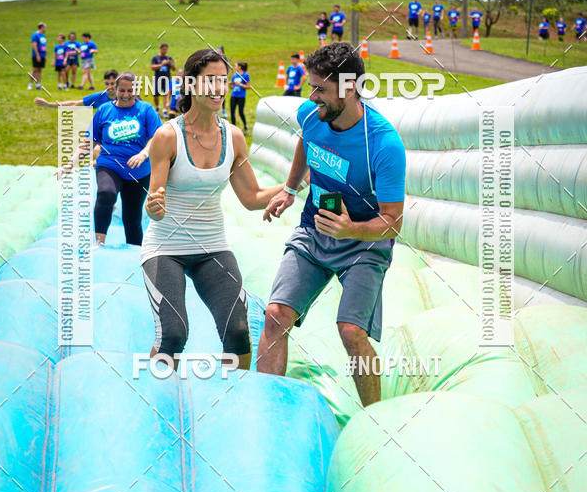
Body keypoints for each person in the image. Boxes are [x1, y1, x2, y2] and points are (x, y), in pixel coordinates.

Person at [257, 42, 406, 408]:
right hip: (315, 229)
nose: (312, 96)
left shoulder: (384, 145)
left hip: (363, 243)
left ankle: (375, 419)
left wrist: (350, 229)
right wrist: (291, 190)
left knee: (351, 331)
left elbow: (393, 223)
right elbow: (305, 144)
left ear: (350, 88)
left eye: (321, 89)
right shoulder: (312, 115)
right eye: (312, 87)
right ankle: (262, 410)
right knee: (276, 316)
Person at [141, 48, 285, 371]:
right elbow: (155, 208)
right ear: (190, 84)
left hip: (212, 247)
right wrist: (154, 206)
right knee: (174, 335)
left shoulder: (233, 137)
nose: (219, 88)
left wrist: (293, 184)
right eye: (211, 81)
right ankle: (157, 404)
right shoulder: (167, 137)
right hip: (166, 248)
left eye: (224, 80)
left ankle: (231, 401)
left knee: (237, 331)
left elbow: (252, 197)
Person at [87, 72, 161, 245]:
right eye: (122, 90)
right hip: (109, 164)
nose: (126, 95)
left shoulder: (146, 109)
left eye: (130, 91)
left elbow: (156, 137)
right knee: (106, 193)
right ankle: (98, 243)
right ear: (115, 89)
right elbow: (90, 139)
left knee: (132, 219)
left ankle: (136, 258)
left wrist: (143, 153)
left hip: (138, 171)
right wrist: (72, 162)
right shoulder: (104, 110)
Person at [34, 69, 118, 110]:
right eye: (107, 84)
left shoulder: (127, 96)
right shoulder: (100, 97)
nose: (109, 87)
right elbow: (75, 104)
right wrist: (48, 104)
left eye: (112, 84)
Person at [151, 42, 175, 116]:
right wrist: (162, 64)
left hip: (167, 78)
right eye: (163, 49)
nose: (165, 50)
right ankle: (157, 107)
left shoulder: (169, 58)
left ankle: (164, 110)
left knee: (166, 94)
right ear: (160, 49)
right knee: (155, 95)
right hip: (157, 78)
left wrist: (170, 63)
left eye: (166, 49)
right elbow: (152, 67)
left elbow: (174, 69)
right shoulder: (155, 58)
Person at [230, 61, 250, 133]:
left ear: (239, 67)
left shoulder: (245, 75)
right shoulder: (235, 75)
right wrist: (230, 84)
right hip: (233, 96)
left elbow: (248, 86)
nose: (235, 67)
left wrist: (240, 84)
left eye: (236, 66)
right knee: (232, 112)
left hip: (241, 96)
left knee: (240, 112)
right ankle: (233, 128)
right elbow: (231, 87)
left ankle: (245, 126)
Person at [28, 22, 47, 90]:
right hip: (37, 55)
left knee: (40, 69)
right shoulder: (35, 35)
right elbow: (34, 45)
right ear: (41, 27)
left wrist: (45, 55)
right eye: (45, 27)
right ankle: (30, 84)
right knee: (34, 69)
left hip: (42, 55)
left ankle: (38, 85)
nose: (46, 29)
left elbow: (44, 46)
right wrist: (37, 55)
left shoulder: (43, 35)